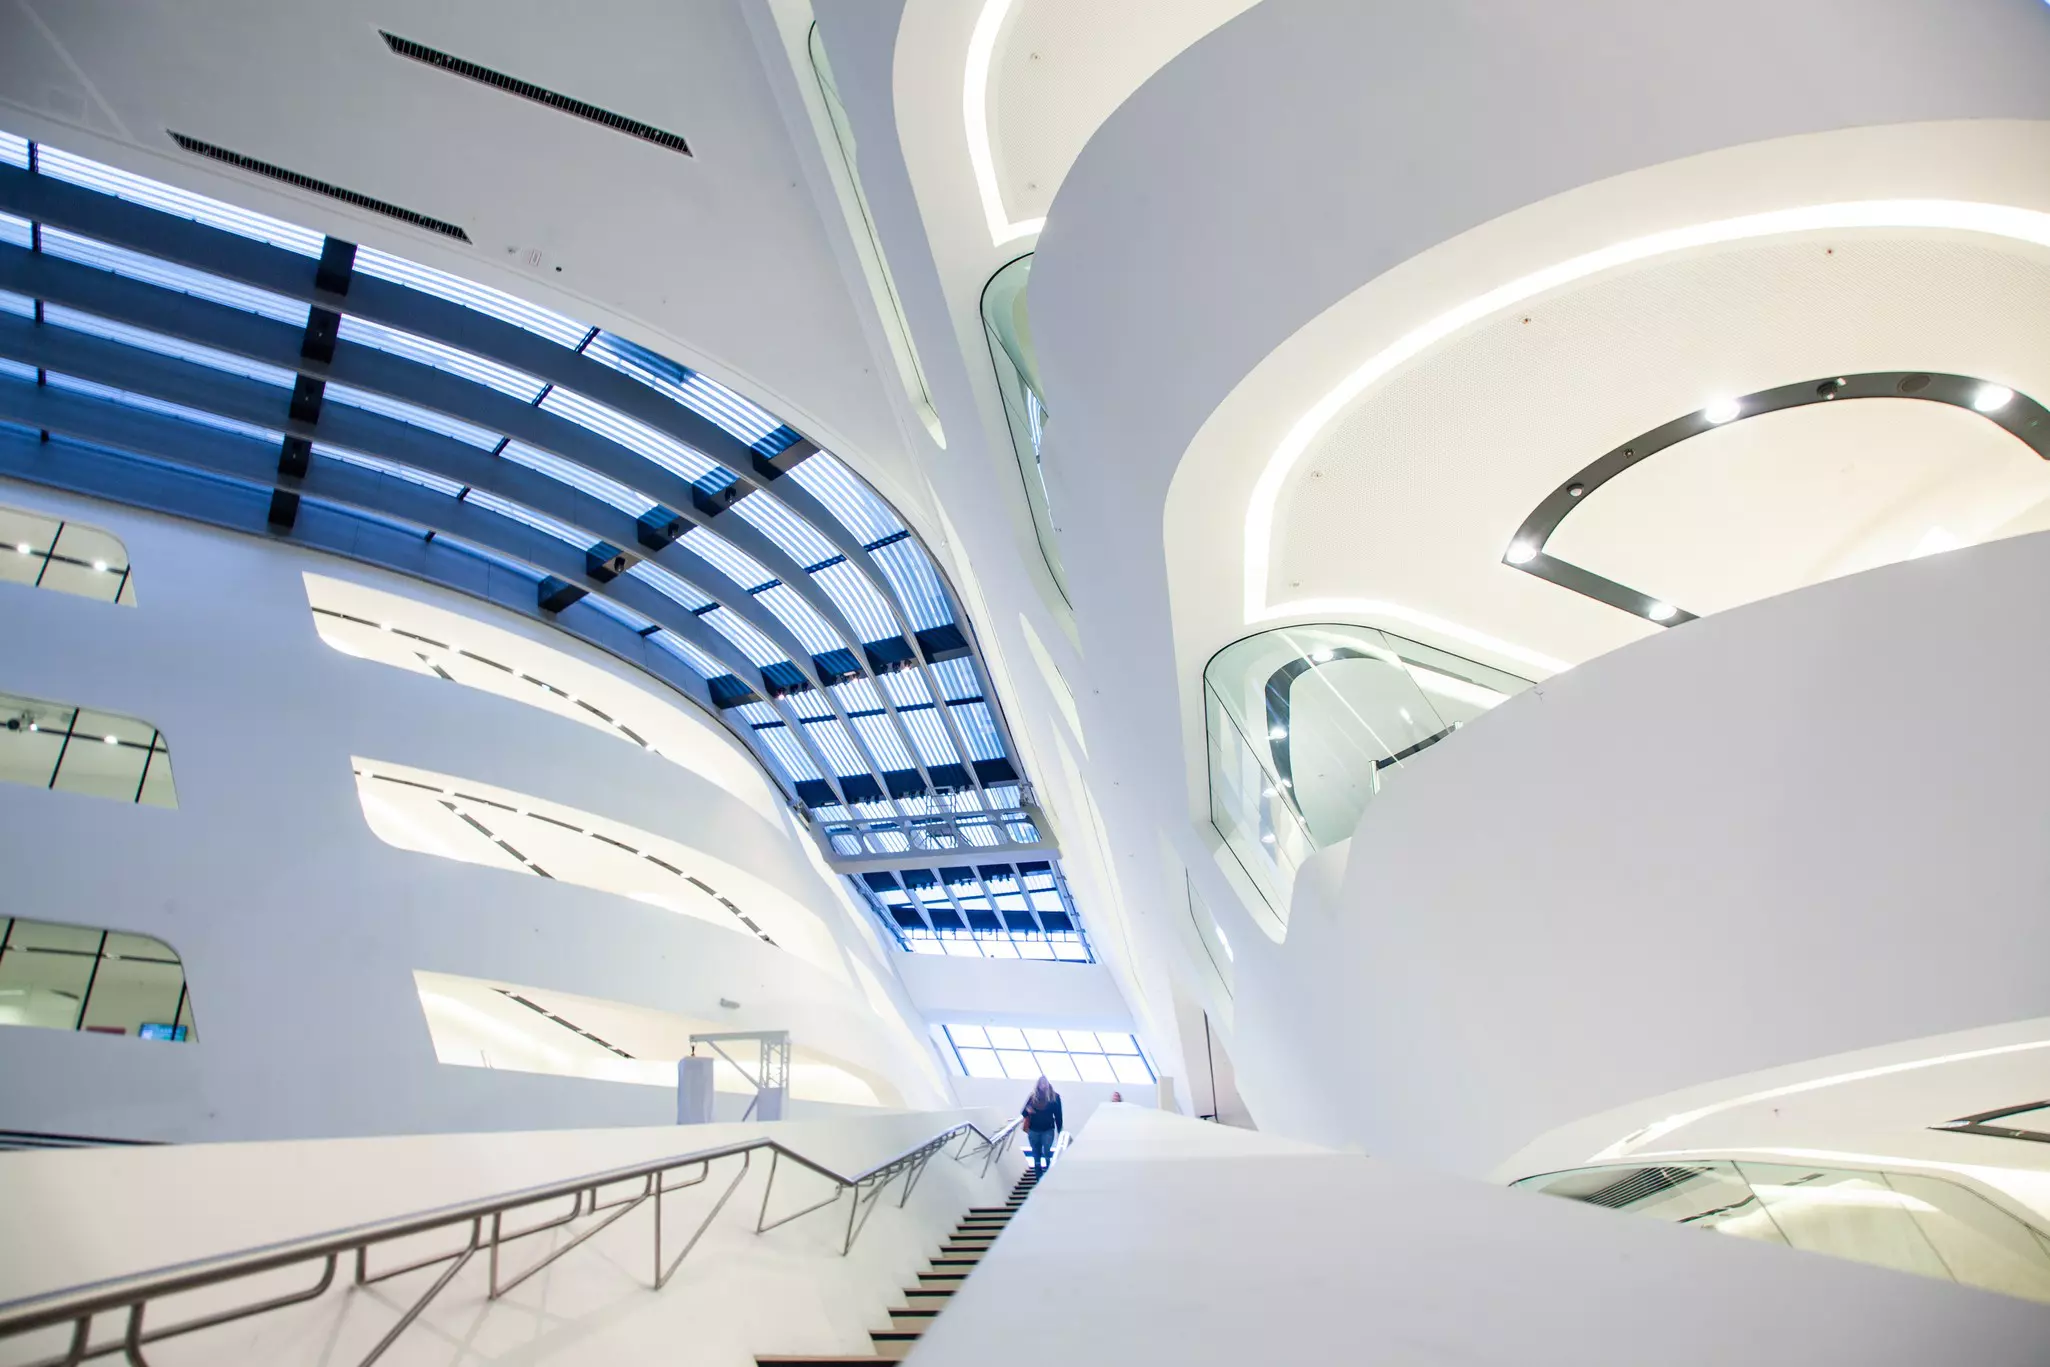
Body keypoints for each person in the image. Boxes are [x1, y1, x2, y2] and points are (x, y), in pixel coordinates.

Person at [1021, 1076, 1063, 1173]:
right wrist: (1028, 1110)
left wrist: (1060, 1130)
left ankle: (1048, 1172)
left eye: (1045, 1083)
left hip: (1048, 1129)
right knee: (1036, 1153)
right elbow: (1023, 1113)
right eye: (1041, 1083)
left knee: (1047, 1152)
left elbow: (1058, 1115)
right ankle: (1038, 1175)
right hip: (1033, 1129)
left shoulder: (1054, 1097)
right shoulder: (1033, 1097)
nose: (1043, 1085)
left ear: (1048, 1084)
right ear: (1038, 1085)